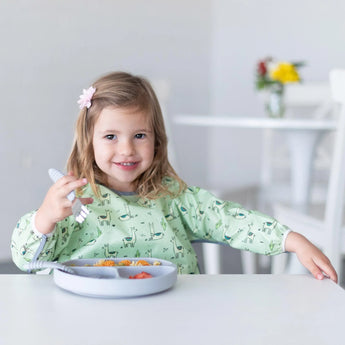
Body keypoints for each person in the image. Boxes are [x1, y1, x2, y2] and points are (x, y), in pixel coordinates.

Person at [11, 71, 337, 282]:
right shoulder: (73, 203)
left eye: (139, 135)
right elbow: (25, 258)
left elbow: (229, 219)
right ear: (89, 142)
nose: (126, 150)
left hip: (172, 315)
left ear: (157, 139)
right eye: (110, 137)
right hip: (92, 317)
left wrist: (291, 240)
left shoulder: (175, 198)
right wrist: (44, 219)